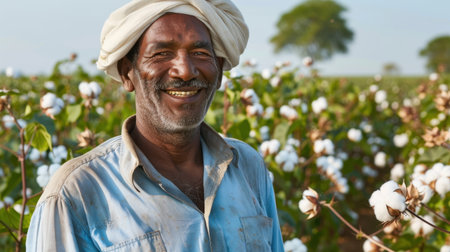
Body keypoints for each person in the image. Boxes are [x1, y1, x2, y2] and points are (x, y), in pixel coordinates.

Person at [27, 0, 284, 251]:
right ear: (128, 72)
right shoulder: (76, 193)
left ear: (218, 71)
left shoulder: (248, 167)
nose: (185, 70)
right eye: (161, 54)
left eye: (200, 53)